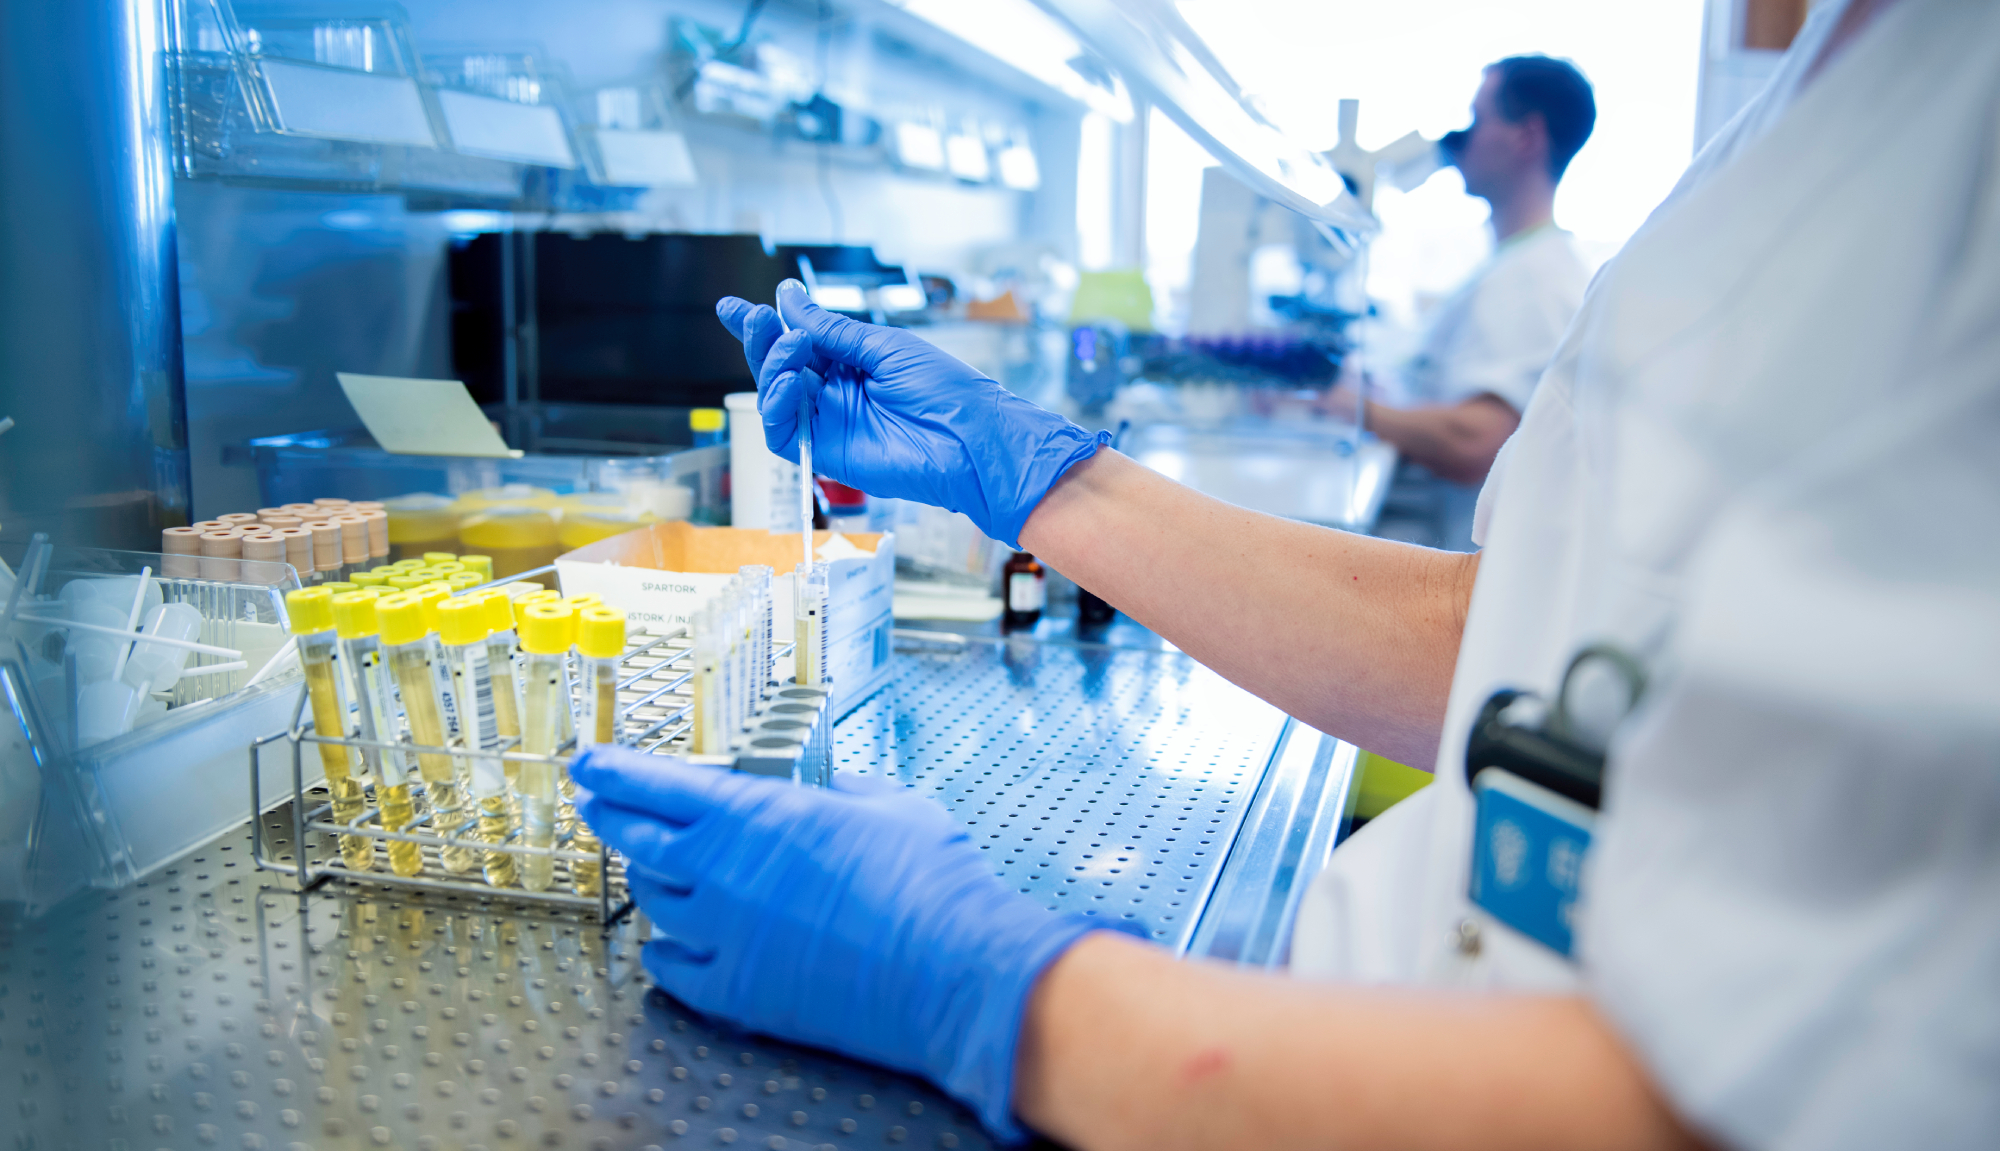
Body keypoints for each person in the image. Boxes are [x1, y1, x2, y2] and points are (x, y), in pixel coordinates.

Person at [573, 1, 1998, 1147]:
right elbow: (1516, 639)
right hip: (1376, 1014)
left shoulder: (1963, 129)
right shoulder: (1825, 86)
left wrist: (1000, 991)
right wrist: (1048, 481)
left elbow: (1784, 1085)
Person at [1326, 55, 1594, 550]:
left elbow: (1479, 441)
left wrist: (1355, 409)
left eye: (1477, 119)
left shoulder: (1534, 279)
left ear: (1526, 137)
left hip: (1467, 562)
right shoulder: (1520, 264)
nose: (1459, 139)